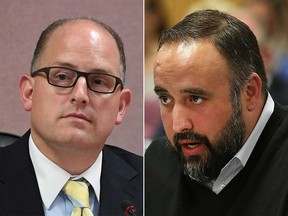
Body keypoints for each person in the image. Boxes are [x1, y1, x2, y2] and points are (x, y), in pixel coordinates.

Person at [145, 9, 288, 216]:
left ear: (250, 92)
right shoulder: (157, 162)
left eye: (195, 98)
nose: (178, 125)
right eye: (166, 99)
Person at [0, 17, 143, 215]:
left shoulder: (154, 185)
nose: (80, 95)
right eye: (62, 77)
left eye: (99, 82)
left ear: (121, 106)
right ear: (29, 93)